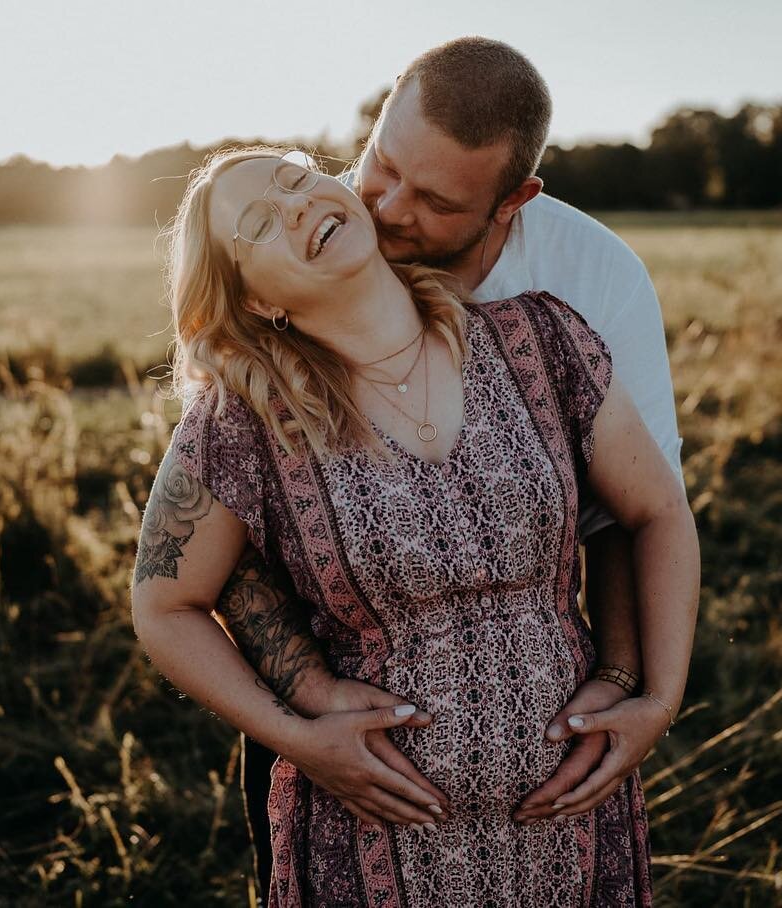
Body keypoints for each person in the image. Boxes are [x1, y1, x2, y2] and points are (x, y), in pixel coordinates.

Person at [130, 139, 698, 906]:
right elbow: (164, 605)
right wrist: (297, 738)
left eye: (297, 180)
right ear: (258, 300)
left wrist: (652, 699)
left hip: (571, 830)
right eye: (261, 223)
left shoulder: (541, 339)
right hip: (371, 851)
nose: (298, 204)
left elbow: (657, 510)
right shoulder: (246, 420)